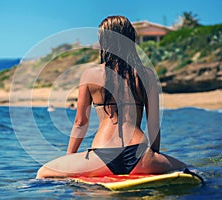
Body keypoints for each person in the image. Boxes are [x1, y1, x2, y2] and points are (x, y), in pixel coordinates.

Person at [36, 16, 186, 178]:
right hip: (139, 154)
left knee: (43, 172)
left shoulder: (90, 75)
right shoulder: (147, 75)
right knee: (186, 169)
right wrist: (153, 157)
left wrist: (70, 159)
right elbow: (154, 123)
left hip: (102, 156)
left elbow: (80, 122)